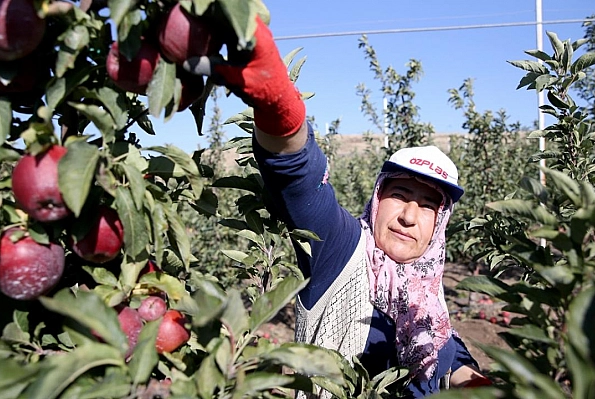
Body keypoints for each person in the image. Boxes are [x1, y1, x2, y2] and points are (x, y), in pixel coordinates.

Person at [184, 15, 492, 397]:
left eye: (428, 205)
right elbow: (299, 178)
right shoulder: (340, 250)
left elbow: (449, 358)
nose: (410, 216)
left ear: (439, 223)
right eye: (399, 194)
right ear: (377, 199)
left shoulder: (426, 296)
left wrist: (482, 385)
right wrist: (279, 103)